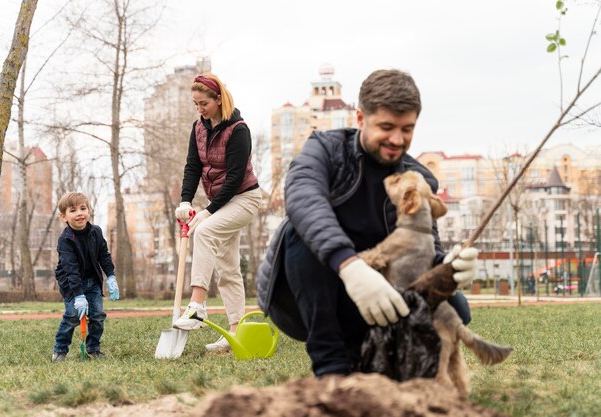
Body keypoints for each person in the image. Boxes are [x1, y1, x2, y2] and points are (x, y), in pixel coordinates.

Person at [256, 69, 479, 377]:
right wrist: (350, 266)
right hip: (312, 296)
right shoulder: (325, 150)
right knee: (299, 230)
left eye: (407, 129)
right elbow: (303, 199)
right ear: (360, 118)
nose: (397, 139)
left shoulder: (417, 179)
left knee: (459, 309)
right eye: (386, 127)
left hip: (379, 296)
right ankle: (331, 366)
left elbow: (425, 249)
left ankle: (375, 355)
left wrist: (450, 266)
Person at [172, 73, 261, 353]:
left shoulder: (238, 129)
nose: (200, 109)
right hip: (221, 202)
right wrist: (186, 201)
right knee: (228, 269)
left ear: (218, 99)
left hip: (244, 199)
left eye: (204, 104)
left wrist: (209, 211)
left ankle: (197, 306)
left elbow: (234, 178)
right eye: (196, 104)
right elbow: (192, 167)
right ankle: (235, 333)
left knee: (205, 231)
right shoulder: (198, 128)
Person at [51, 192, 120, 362]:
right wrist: (79, 295)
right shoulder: (65, 240)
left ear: (89, 210)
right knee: (73, 315)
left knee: (97, 315)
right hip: (71, 283)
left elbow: (104, 255)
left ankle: (93, 348)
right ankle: (60, 349)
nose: (80, 213)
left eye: (83, 208)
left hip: (92, 282)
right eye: (73, 210)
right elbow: (70, 270)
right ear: (64, 216)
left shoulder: (96, 232)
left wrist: (111, 276)